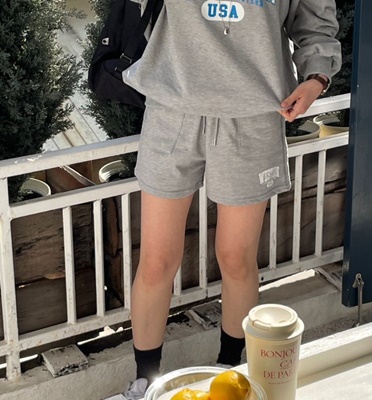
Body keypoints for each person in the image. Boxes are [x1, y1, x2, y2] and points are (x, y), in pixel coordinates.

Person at [121, 0, 341, 398]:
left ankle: (230, 371)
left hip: (253, 113)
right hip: (172, 107)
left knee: (237, 258)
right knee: (156, 260)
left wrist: (316, 78)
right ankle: (144, 382)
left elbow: (315, 22)